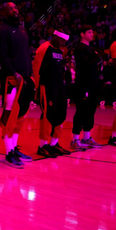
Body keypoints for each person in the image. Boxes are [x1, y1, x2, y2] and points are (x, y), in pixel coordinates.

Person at [0, 2, 34, 168]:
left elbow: (27, 54)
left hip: (25, 78)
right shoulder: (2, 31)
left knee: (21, 115)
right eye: (11, 8)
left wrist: (30, 75)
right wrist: (14, 73)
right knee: (10, 115)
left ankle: (15, 147)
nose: (15, 10)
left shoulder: (22, 29)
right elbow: (2, 57)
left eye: (16, 7)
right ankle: (8, 152)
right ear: (4, 13)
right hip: (11, 78)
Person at [33, 29, 71, 157]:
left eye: (65, 41)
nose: (63, 43)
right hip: (47, 86)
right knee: (48, 114)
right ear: (55, 36)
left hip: (59, 86)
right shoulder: (44, 48)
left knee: (61, 113)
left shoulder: (59, 50)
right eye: (61, 40)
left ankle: (54, 144)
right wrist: (37, 87)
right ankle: (43, 145)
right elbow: (36, 68)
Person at [70, 25, 103, 149]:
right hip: (83, 83)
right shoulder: (79, 48)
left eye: (92, 32)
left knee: (91, 110)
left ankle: (86, 137)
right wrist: (97, 57)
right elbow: (86, 65)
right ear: (82, 34)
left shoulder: (91, 48)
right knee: (81, 110)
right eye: (89, 32)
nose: (92, 34)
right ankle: (75, 139)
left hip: (93, 83)